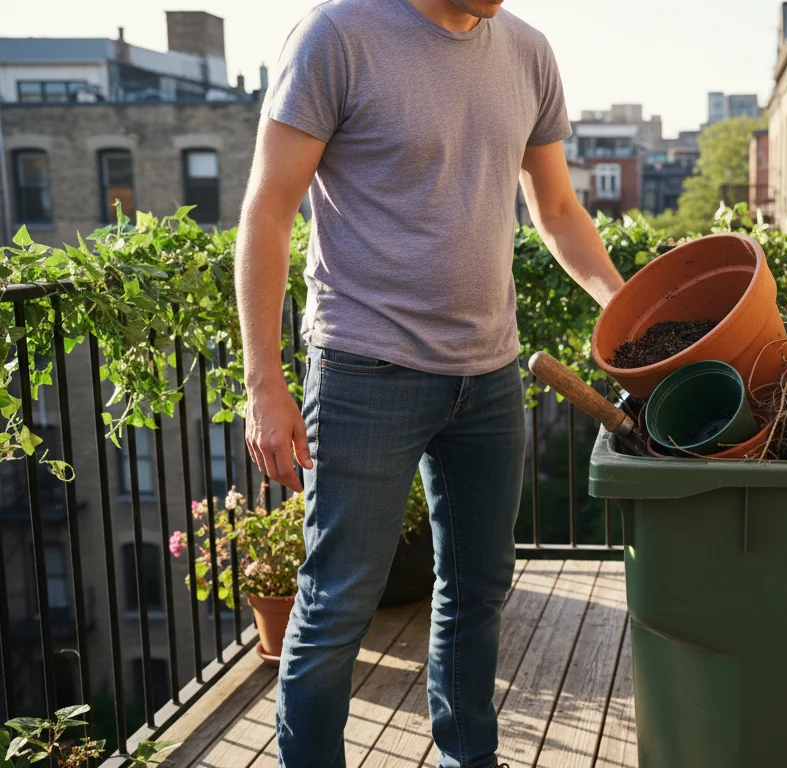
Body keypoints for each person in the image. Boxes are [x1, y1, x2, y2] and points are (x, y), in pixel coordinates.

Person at [234, 0, 624, 765]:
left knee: (478, 589)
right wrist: (264, 384)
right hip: (364, 371)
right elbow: (268, 208)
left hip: (488, 372)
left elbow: (557, 208)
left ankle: (467, 758)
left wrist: (627, 307)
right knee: (337, 604)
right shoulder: (337, 36)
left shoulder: (528, 51)